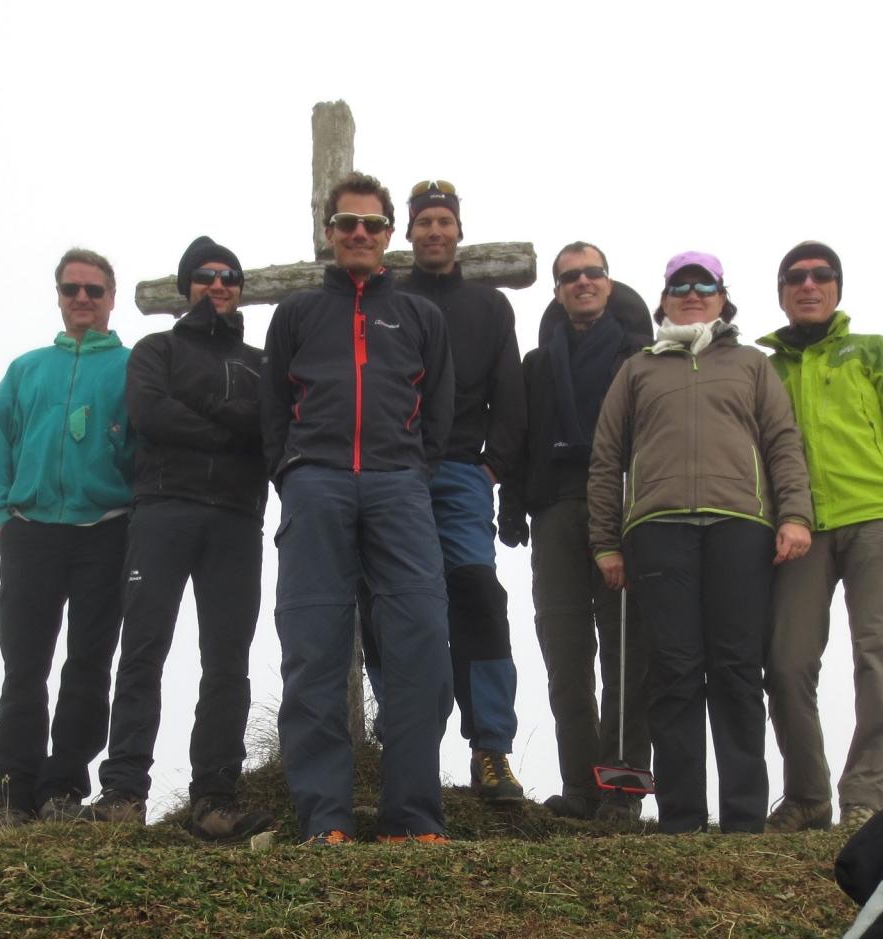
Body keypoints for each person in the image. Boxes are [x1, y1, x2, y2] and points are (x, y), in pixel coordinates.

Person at [588, 251, 813, 833]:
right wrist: (606, 543)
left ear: (722, 295)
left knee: (738, 668)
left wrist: (795, 516)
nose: (692, 294)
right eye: (680, 285)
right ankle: (682, 818)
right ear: (664, 299)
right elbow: (607, 458)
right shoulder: (638, 368)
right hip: (656, 530)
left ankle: (743, 819)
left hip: (741, 526)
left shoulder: (751, 364)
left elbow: (783, 443)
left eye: (704, 284)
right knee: (674, 669)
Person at [261, 171, 456, 845]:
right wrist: (293, 475)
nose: (359, 234)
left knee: (423, 645)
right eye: (347, 223)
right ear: (329, 232)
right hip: (315, 484)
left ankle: (411, 817)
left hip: (399, 486)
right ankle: (325, 820)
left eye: (372, 225)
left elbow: (439, 412)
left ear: (388, 235)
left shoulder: (422, 317)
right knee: (313, 650)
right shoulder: (295, 315)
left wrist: (408, 470)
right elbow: (270, 411)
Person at [89, 236, 272, 841]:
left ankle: (214, 798)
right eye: (204, 276)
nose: (217, 285)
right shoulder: (156, 349)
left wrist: (203, 417)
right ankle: (123, 791)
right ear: (186, 285)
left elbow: (270, 430)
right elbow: (149, 414)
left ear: (240, 288)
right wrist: (231, 427)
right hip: (164, 509)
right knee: (143, 649)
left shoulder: (260, 363)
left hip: (237, 519)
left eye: (228, 277)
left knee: (228, 660)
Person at [760, 241, 883, 834]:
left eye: (822, 275)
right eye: (795, 277)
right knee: (786, 664)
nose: (808, 285)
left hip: (879, 522)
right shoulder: (765, 368)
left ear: (837, 288)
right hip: (798, 530)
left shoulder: (875, 352)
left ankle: (865, 797)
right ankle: (808, 796)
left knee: (879, 661)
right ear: (782, 291)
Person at [359, 179, 526, 803]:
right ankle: (404, 728)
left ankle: (491, 750)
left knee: (477, 593)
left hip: (459, 470)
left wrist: (494, 466)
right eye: (423, 221)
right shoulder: (384, 299)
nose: (434, 231)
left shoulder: (489, 306)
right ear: (407, 234)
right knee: (384, 597)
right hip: (390, 472)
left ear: (459, 231)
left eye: (444, 221)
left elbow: (511, 391)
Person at [0, 248, 133, 829]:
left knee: (89, 663)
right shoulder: (26, 370)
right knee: (25, 666)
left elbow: (147, 451)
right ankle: (13, 793)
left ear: (113, 297)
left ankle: (63, 788)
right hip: (31, 534)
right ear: (58, 297)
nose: (82, 299)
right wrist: (2, 519)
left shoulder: (133, 368)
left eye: (93, 290)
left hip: (106, 534)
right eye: (71, 290)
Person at [497, 242, 652, 821]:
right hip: (557, 510)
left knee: (625, 655)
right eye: (569, 277)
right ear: (558, 290)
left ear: (609, 283)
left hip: (626, 508)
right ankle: (582, 789)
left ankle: (624, 792)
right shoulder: (537, 364)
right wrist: (511, 504)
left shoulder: (642, 358)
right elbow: (517, 435)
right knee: (566, 656)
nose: (582, 282)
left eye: (592, 273)